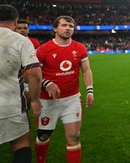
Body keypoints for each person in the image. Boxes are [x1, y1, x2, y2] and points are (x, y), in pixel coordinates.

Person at [34, 16, 94, 163]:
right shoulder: (43, 50)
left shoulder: (79, 48)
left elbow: (86, 70)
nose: (68, 28)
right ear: (55, 28)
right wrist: (46, 82)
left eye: (71, 26)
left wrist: (90, 90)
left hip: (71, 99)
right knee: (43, 137)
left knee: (74, 137)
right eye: (64, 25)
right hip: (47, 101)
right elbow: (32, 75)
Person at [0, 4, 42, 163]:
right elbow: (34, 74)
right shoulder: (21, 40)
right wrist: (35, 99)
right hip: (12, 106)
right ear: (16, 21)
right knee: (21, 145)